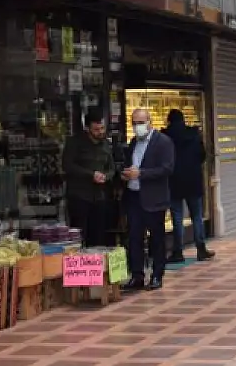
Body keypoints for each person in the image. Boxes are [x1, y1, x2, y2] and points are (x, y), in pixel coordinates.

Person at [122, 109, 176, 291]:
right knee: (135, 238)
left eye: (141, 122)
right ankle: (137, 275)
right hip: (134, 196)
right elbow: (130, 164)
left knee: (156, 239)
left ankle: (157, 275)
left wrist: (142, 174)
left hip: (154, 199)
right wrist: (126, 174)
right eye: (134, 123)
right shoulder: (133, 143)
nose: (138, 127)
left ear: (149, 122)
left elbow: (167, 169)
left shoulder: (163, 142)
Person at [163, 109, 214, 263]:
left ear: (169, 121)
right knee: (197, 216)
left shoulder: (166, 136)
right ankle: (201, 249)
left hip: (174, 182)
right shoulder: (194, 135)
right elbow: (202, 155)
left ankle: (178, 252)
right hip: (193, 181)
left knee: (177, 218)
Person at [63, 108, 115, 248]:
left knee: (98, 235)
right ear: (88, 129)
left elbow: (112, 167)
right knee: (78, 235)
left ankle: (95, 266)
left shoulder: (106, 144)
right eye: (96, 129)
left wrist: (106, 176)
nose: (100, 132)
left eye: (102, 128)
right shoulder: (74, 143)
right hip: (79, 196)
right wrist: (90, 175)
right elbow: (68, 166)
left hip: (99, 196)